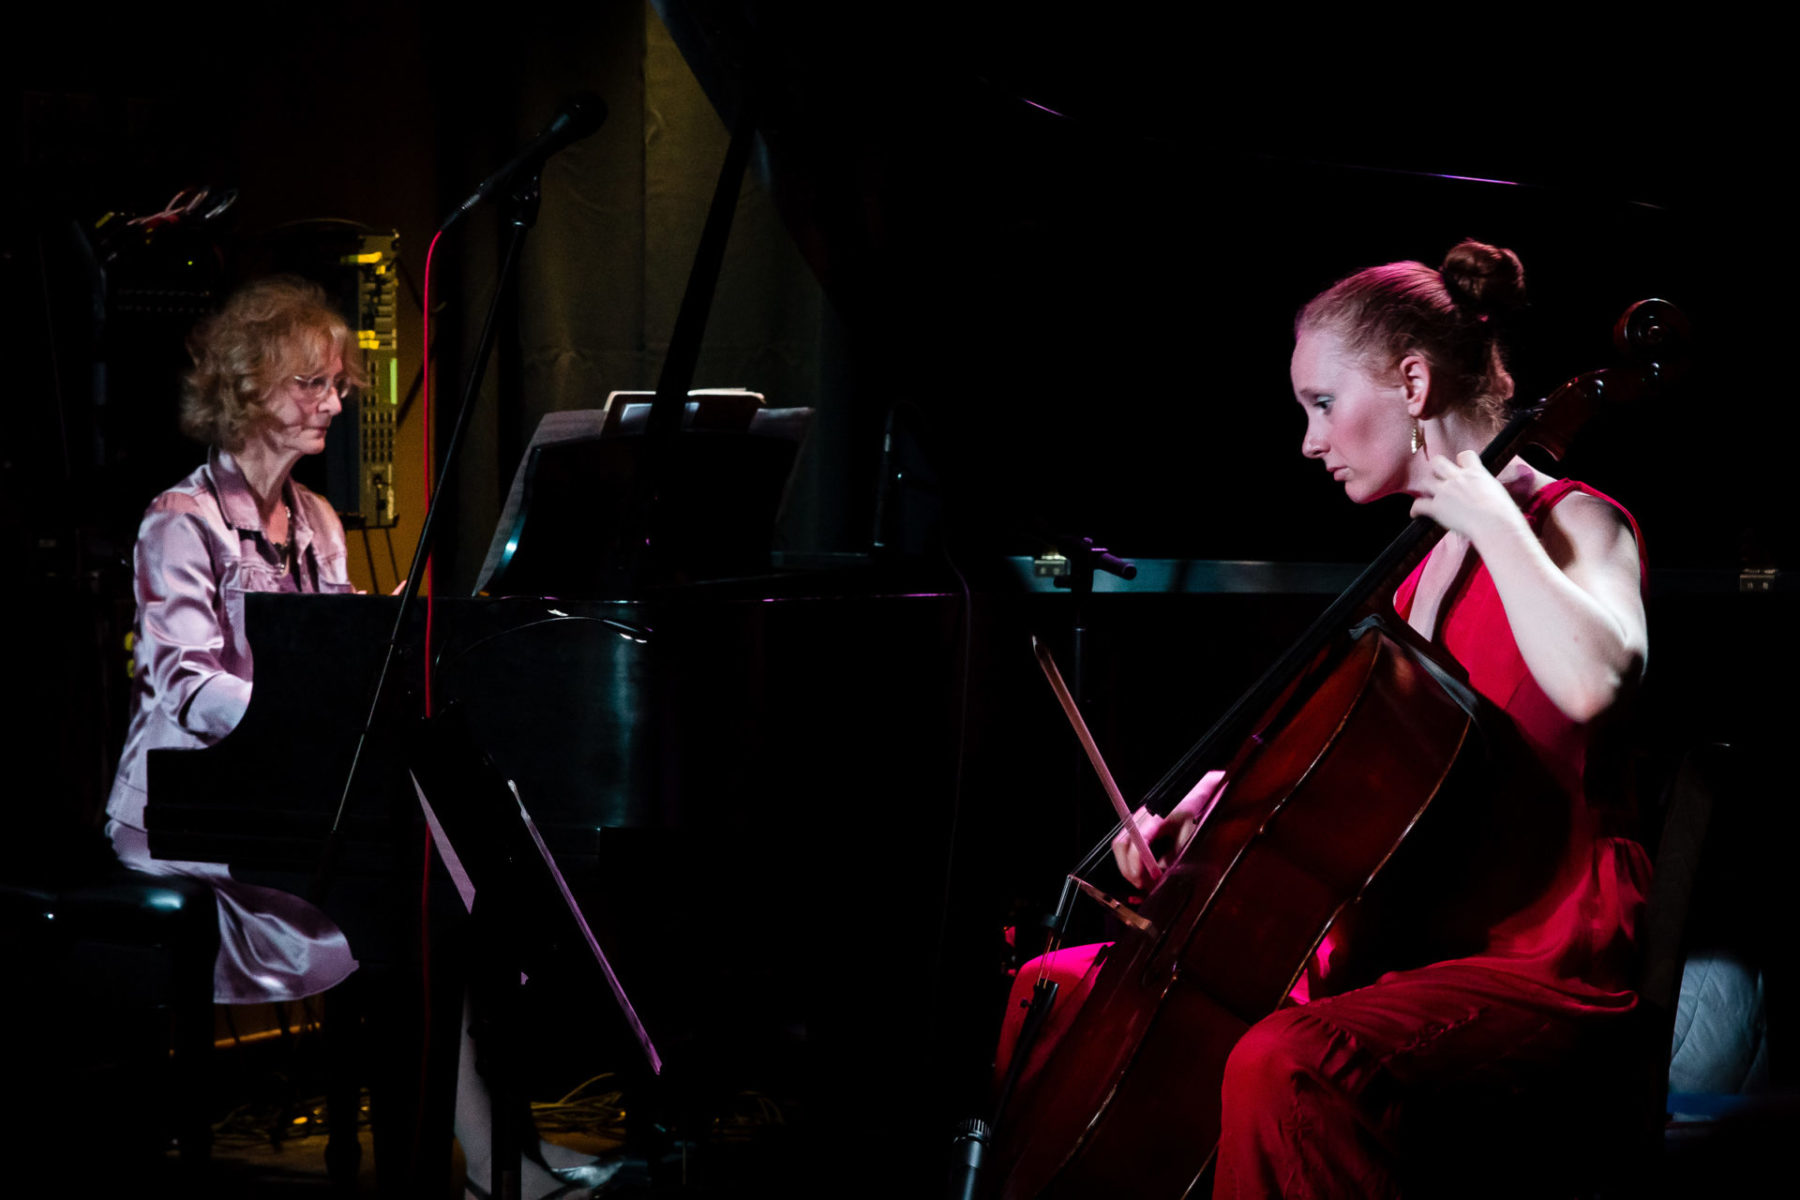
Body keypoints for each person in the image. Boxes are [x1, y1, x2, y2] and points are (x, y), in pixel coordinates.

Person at [999, 242, 1652, 1197]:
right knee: (1050, 988)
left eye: (1321, 404)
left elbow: (1597, 679)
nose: (1310, 441)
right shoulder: (1416, 574)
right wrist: (1208, 825)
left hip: (1531, 953)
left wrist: (1496, 524)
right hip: (1402, 935)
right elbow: (1357, 792)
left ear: (1414, 380)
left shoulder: (1579, 522)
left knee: (1286, 1058)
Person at [107, 277, 611, 1199]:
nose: (337, 402)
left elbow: (341, 660)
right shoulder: (177, 524)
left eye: (339, 384)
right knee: (419, 902)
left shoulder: (318, 521)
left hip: (290, 797)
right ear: (251, 386)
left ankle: (502, 1156)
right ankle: (483, 1167)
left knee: (459, 882)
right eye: (316, 384)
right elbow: (182, 684)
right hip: (188, 818)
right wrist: (301, 726)